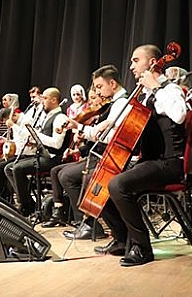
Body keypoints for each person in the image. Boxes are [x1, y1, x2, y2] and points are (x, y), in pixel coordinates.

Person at [95, 44, 187, 266]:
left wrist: (156, 88)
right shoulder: (142, 96)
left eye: (136, 60)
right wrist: (110, 122)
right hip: (149, 161)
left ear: (153, 62)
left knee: (117, 185)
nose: (131, 66)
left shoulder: (169, 90)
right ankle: (122, 238)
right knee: (97, 182)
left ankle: (142, 247)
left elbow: (180, 116)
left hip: (169, 162)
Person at [44, 65, 129, 241]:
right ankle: (88, 223)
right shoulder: (113, 104)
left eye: (98, 87)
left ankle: (91, 224)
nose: (97, 94)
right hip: (99, 154)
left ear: (112, 83)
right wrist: (82, 128)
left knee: (70, 176)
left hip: (109, 157)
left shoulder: (120, 103)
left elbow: (109, 137)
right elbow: (99, 133)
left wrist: (84, 129)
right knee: (64, 173)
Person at [4, 87, 69, 216]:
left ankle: (25, 207)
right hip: (43, 155)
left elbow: (57, 144)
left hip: (52, 158)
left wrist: (37, 136)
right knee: (8, 168)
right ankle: (29, 202)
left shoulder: (60, 118)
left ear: (54, 100)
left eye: (45, 98)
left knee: (17, 168)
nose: (42, 101)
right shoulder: (47, 116)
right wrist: (34, 140)